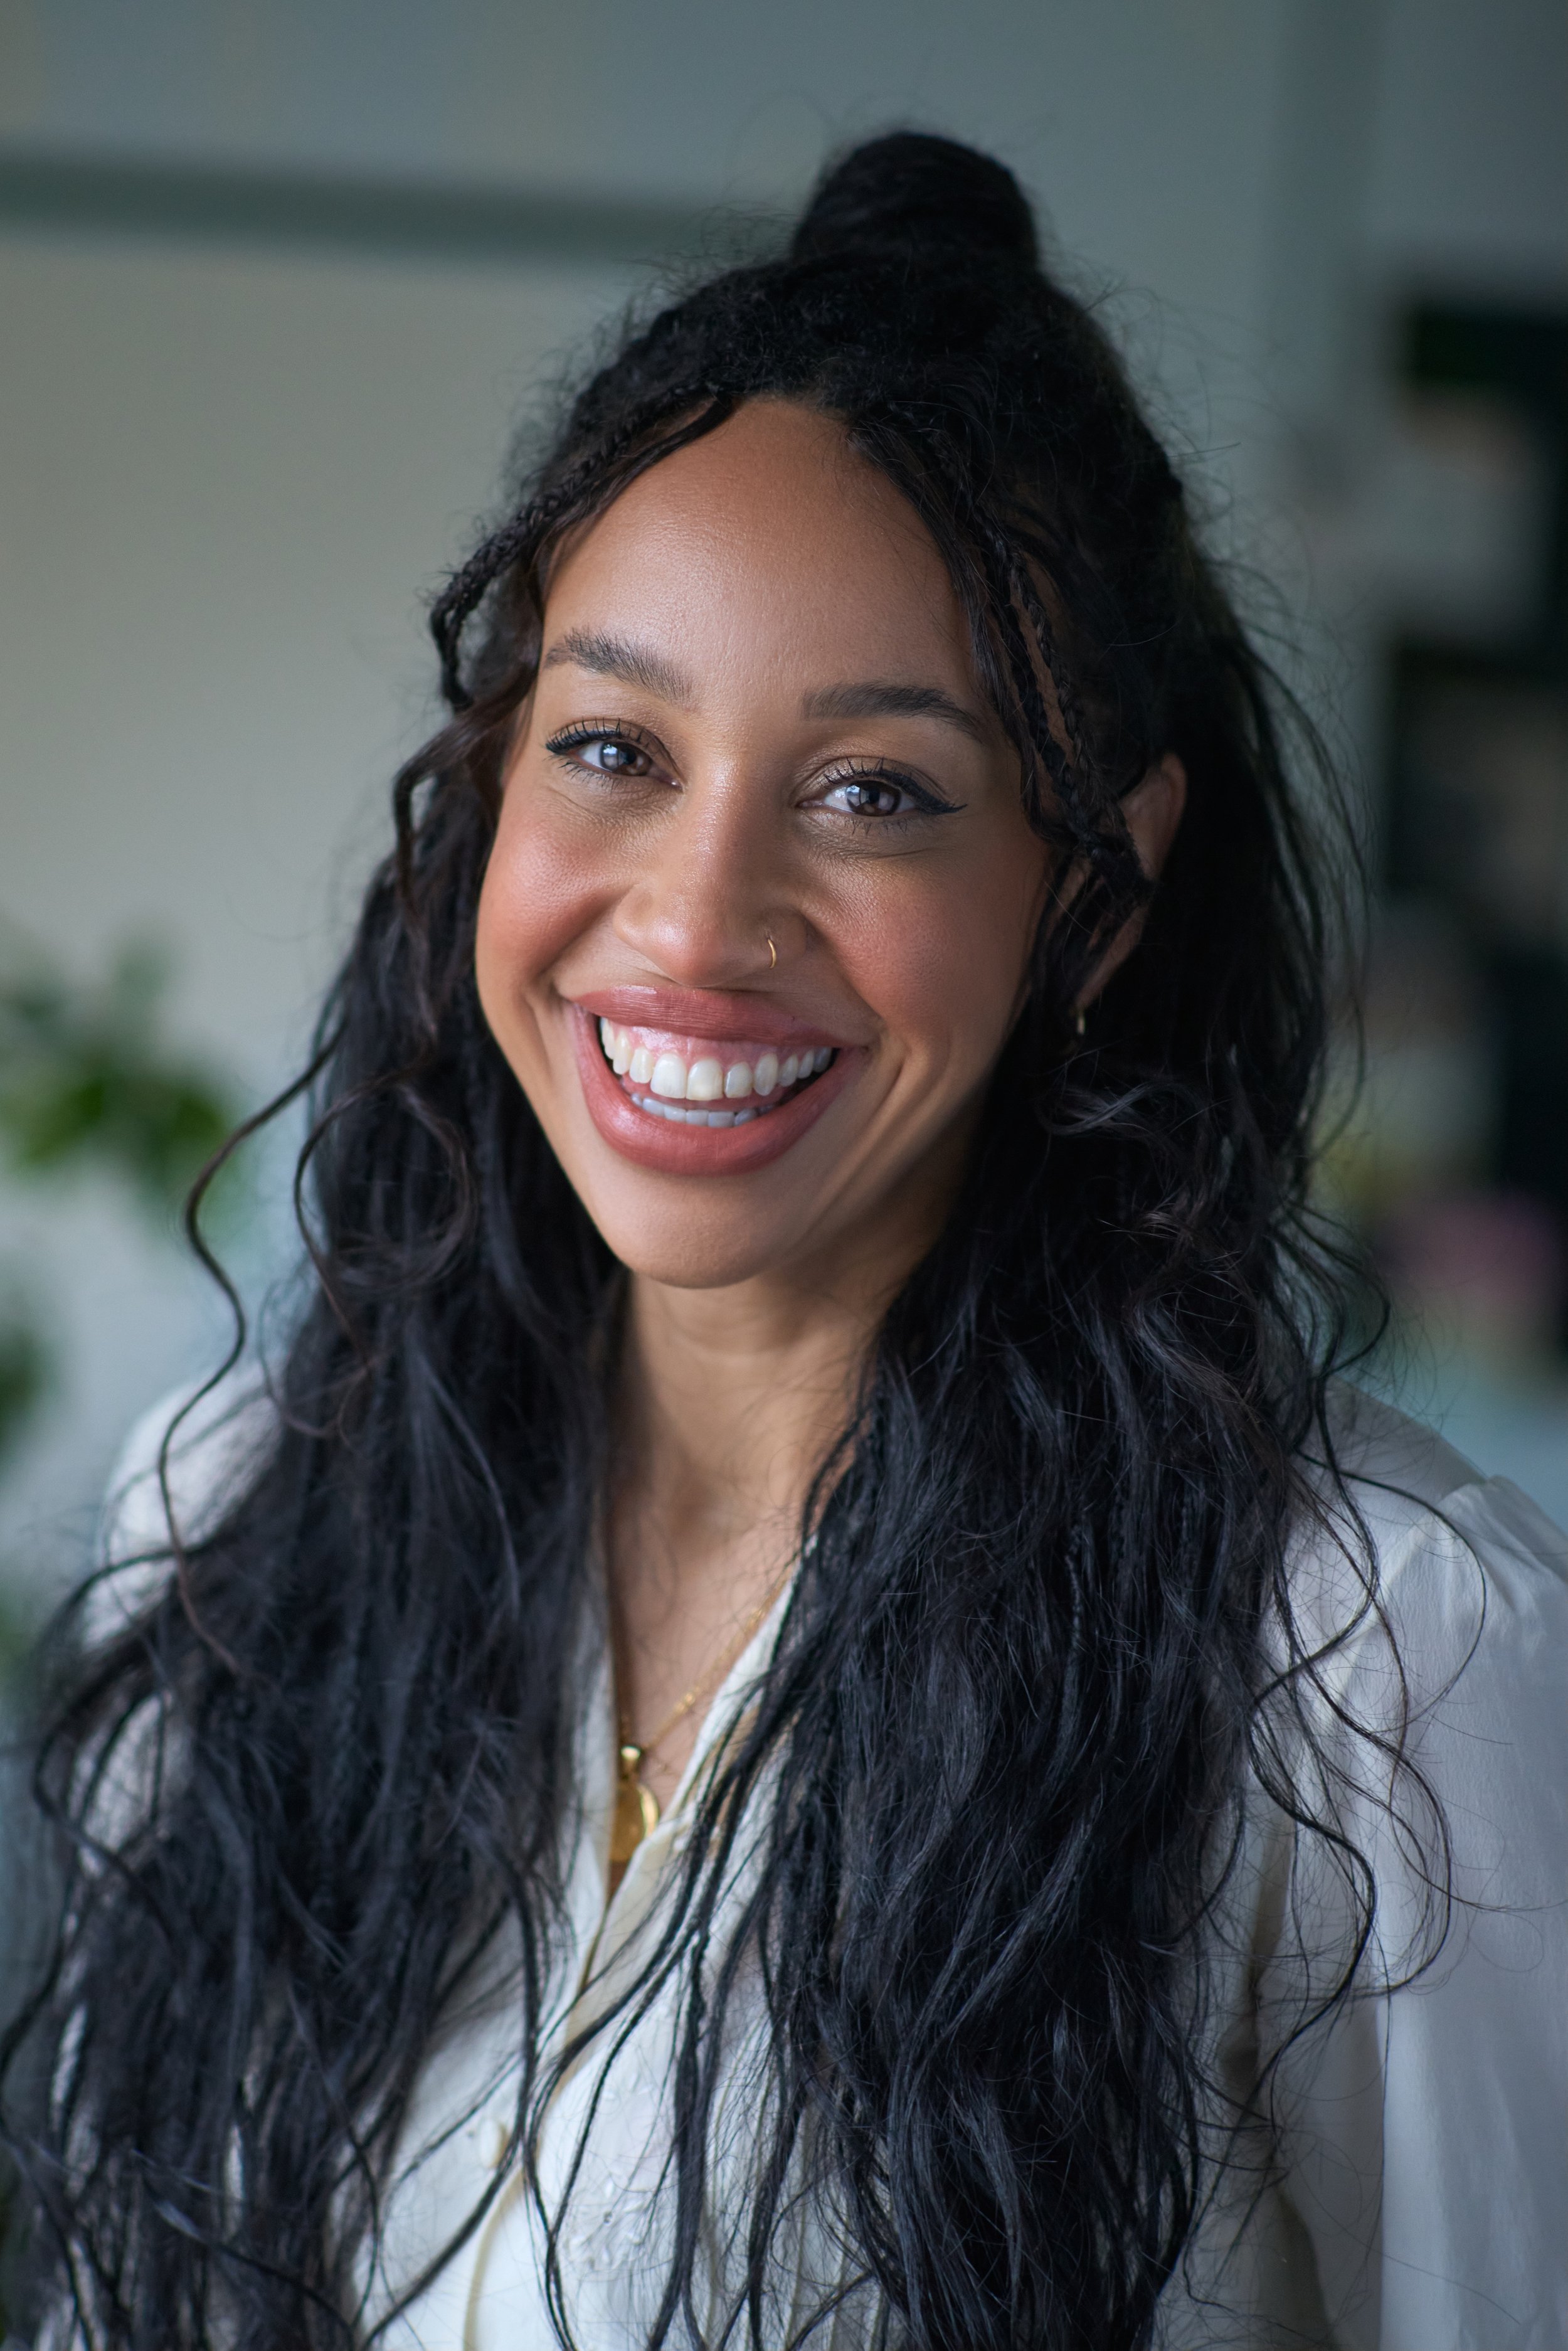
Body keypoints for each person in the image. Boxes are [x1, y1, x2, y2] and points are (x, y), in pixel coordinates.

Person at [3, 133, 1564, 2351]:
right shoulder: (225, 1536)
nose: (699, 921)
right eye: (615, 745)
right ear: (490, 792)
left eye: (874, 791)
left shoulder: (1381, 1672)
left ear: (1097, 886)